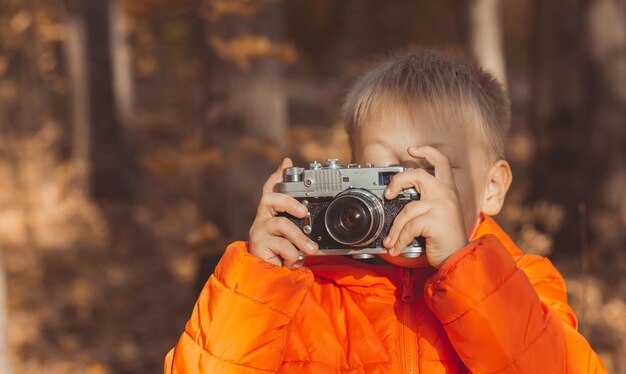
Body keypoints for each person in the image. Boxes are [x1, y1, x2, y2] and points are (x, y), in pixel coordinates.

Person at [164, 49, 606, 373]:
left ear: (492, 188)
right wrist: (259, 281)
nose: (404, 190)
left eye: (431, 171)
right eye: (378, 176)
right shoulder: (303, 295)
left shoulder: (523, 283)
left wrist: (464, 269)